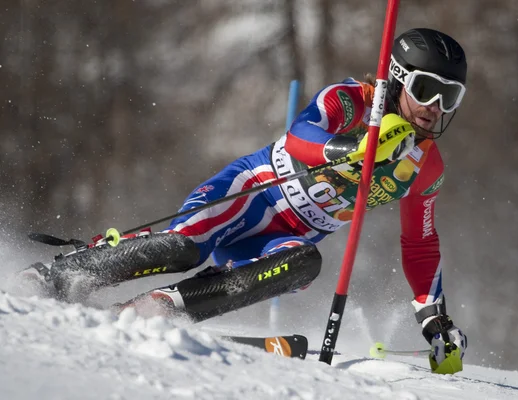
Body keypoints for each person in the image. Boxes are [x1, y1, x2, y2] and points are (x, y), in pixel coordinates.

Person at [26, 28, 468, 374]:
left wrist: (435, 322)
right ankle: (61, 274)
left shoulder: (426, 166)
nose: (435, 106)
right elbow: (301, 137)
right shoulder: (353, 102)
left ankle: (158, 308)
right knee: (184, 247)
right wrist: (347, 151)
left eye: (449, 96)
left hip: (285, 235)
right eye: (426, 88)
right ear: (396, 77)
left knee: (303, 265)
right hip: (248, 192)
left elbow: (420, 244)